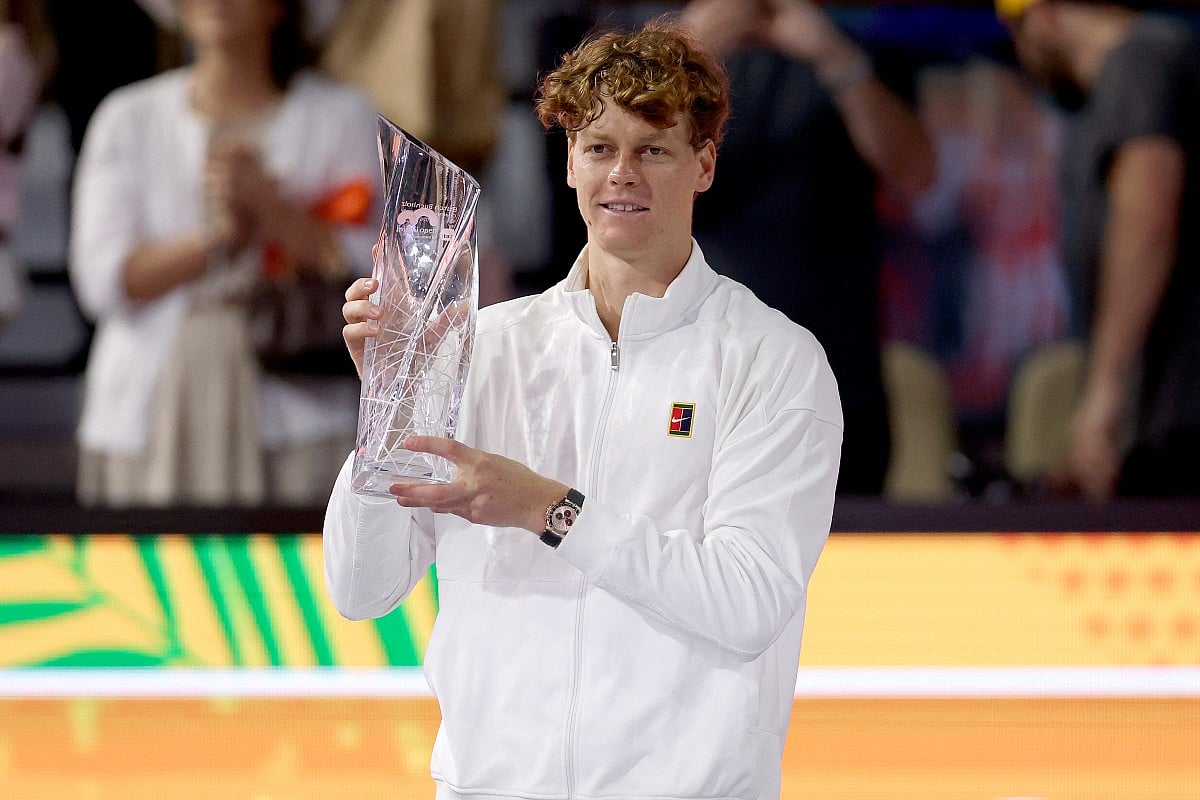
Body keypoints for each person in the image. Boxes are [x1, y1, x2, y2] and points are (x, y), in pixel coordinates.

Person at [325, 21, 842, 800]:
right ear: (569, 162)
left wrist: (549, 509)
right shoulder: (480, 346)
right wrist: (392, 400)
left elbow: (747, 601)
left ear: (704, 163)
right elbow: (361, 590)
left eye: (653, 149)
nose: (621, 174)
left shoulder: (772, 359)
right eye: (599, 147)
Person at [70, 0, 379, 507]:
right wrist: (219, 238)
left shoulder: (342, 115)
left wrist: (272, 208)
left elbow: (371, 271)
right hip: (155, 399)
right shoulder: (127, 118)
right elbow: (103, 281)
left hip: (298, 400)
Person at [679, 0, 936, 495]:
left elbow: (917, 173)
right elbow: (605, 186)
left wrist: (837, 60)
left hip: (838, 372)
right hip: (694, 371)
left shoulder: (859, 39)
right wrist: (681, 52)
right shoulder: (656, 45)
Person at [998, 0, 1200, 498]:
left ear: (1043, 17)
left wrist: (1103, 398)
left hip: (1180, 426)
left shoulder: (1142, 59)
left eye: (1016, 35)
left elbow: (1147, 217)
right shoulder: (1158, 61)